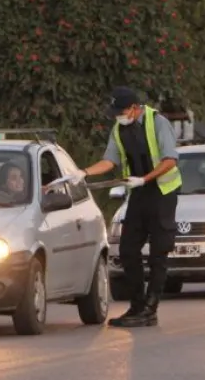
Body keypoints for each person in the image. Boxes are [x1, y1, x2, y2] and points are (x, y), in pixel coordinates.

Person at [73, 86, 182, 327]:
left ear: (134, 108)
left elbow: (170, 160)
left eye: (120, 111)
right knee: (127, 250)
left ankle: (151, 309)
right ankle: (137, 306)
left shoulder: (158, 123)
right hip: (138, 193)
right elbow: (109, 160)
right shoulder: (119, 129)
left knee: (158, 253)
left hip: (162, 192)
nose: (117, 117)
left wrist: (145, 178)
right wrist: (83, 173)